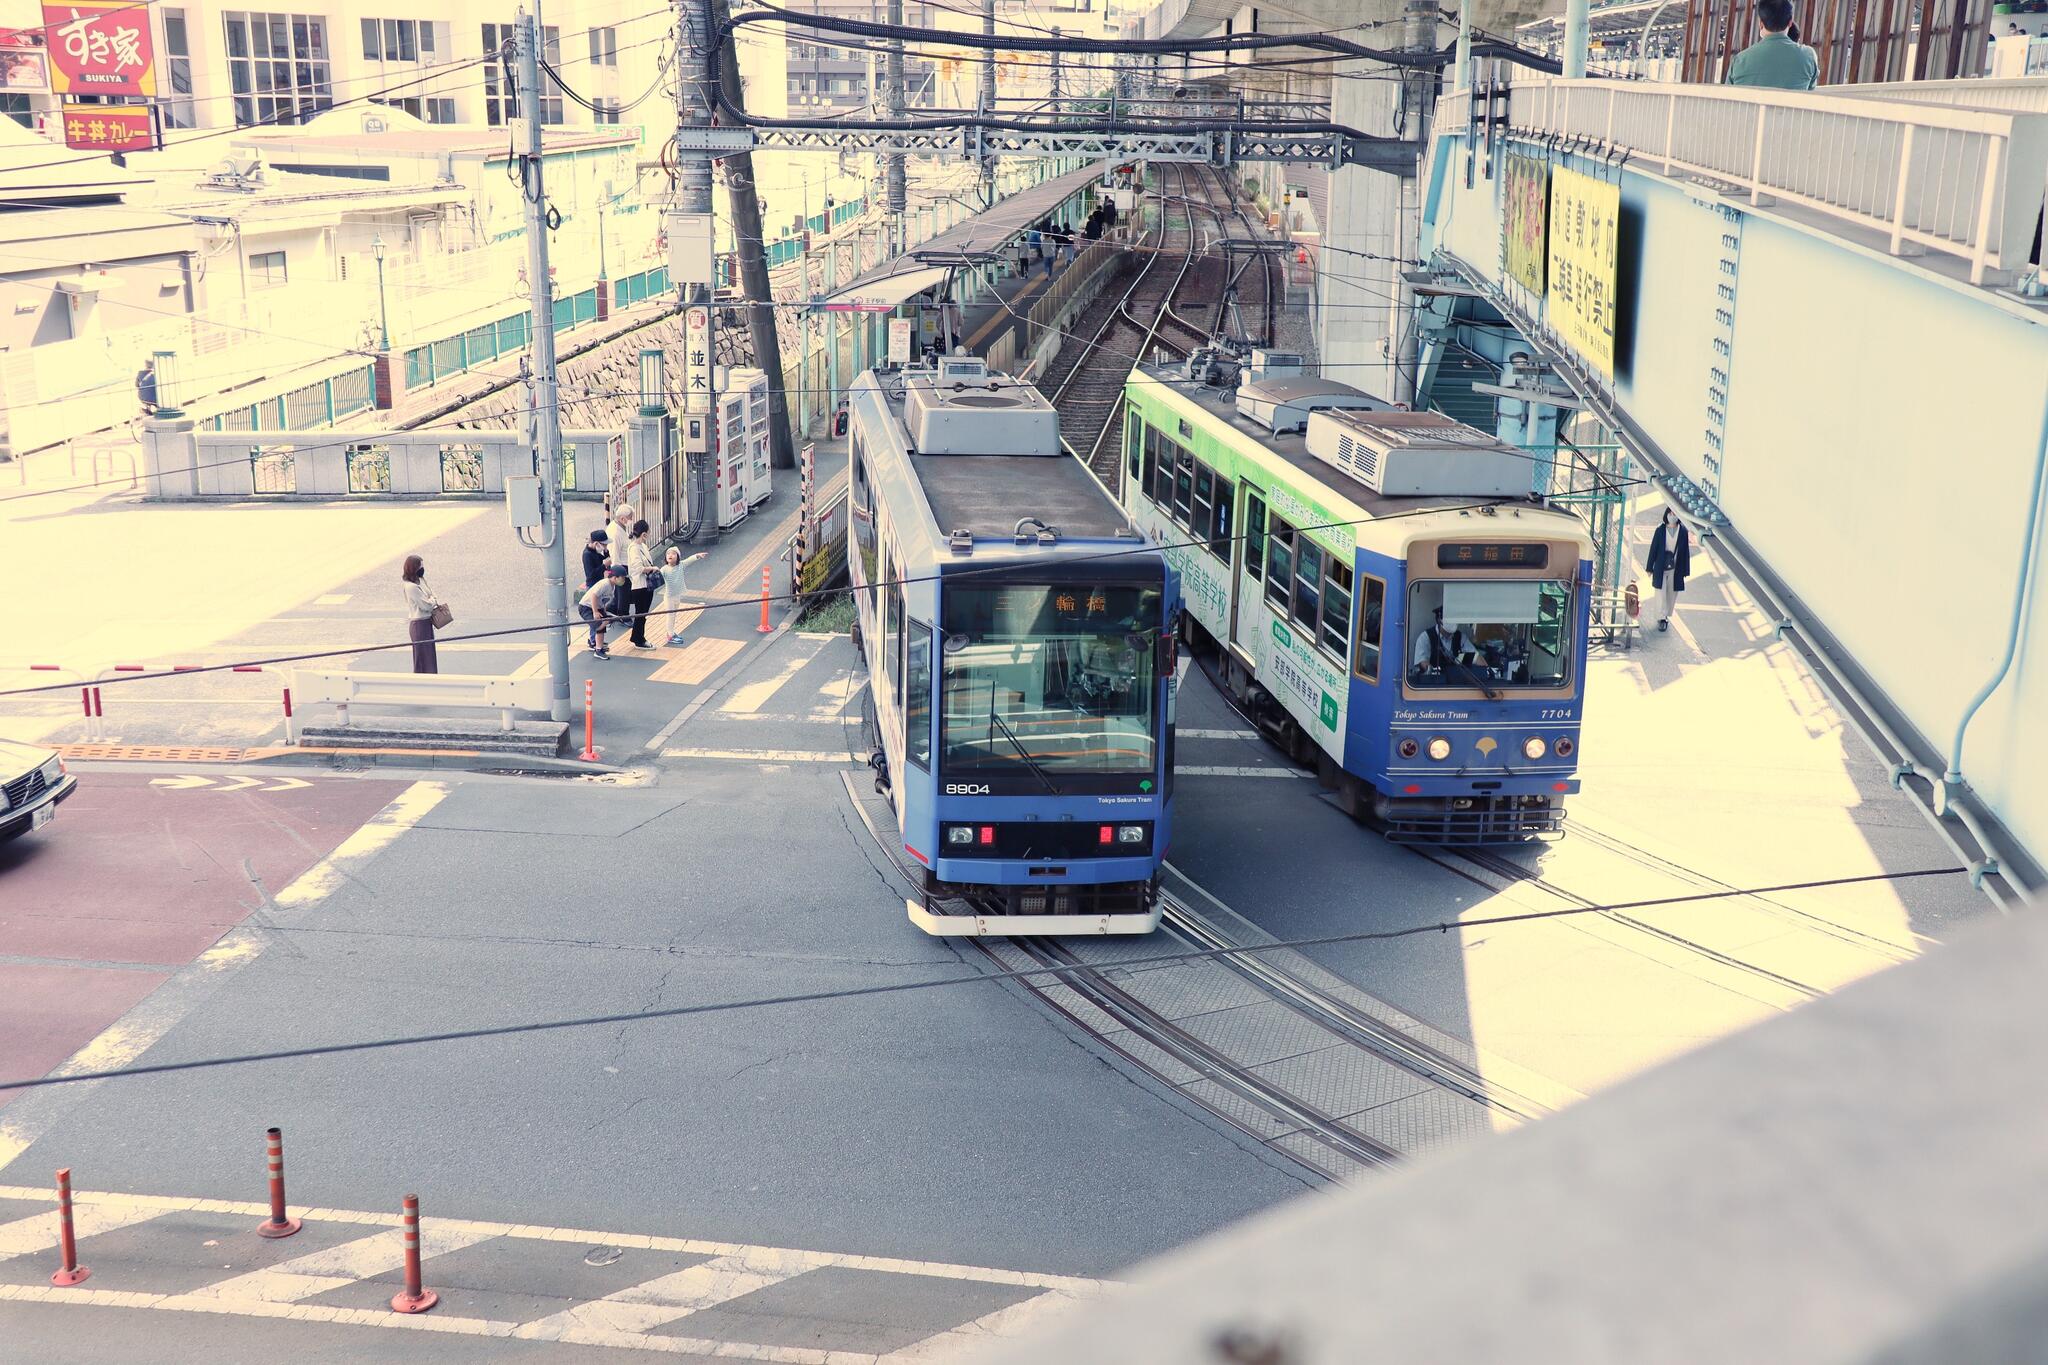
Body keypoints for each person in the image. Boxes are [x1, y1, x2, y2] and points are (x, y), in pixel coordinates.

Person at [1726, 0, 1818, 89]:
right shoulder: (1808, 56)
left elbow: (1728, 99)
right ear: (1790, 22)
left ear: (1761, 24)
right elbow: (1811, 93)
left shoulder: (1739, 60)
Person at [1645, 508, 1693, 633]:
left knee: (1671, 594)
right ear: (1666, 514)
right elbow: (1653, 549)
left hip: (1675, 569)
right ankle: (1661, 618)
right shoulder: (1660, 531)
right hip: (1661, 567)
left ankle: (1666, 614)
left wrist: (1686, 570)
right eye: (1670, 513)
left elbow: (1685, 552)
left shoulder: (1682, 531)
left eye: (1675, 514)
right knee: (1660, 592)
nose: (1672, 516)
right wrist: (1650, 567)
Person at [400, 554, 443, 674]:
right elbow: (426, 605)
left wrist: (431, 598)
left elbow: (431, 592)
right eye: (420, 567)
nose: (422, 569)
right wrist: (433, 600)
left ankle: (431, 680)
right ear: (414, 568)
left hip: (426, 623)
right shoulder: (411, 587)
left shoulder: (420, 581)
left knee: (429, 656)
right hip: (419, 625)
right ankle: (422, 681)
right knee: (422, 658)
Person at [657, 546, 709, 645]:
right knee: (670, 616)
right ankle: (670, 635)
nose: (670, 555)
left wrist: (697, 556)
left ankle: (671, 632)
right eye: (668, 554)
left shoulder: (681, 565)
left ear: (678, 557)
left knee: (674, 615)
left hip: (677, 595)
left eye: (673, 553)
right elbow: (657, 577)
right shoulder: (664, 569)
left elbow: (689, 560)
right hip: (668, 597)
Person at [578, 564, 629, 660]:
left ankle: (596, 645)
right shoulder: (605, 584)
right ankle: (597, 649)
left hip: (597, 606)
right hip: (586, 607)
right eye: (622, 578)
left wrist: (603, 611)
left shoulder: (612, 585)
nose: (624, 580)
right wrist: (595, 612)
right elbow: (594, 596)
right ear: (615, 577)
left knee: (601, 626)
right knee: (599, 626)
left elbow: (603, 600)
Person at [1410, 606, 1474, 679]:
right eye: (1449, 620)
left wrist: (1487, 669)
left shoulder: (1461, 637)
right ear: (1439, 620)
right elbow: (1423, 662)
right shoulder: (1425, 637)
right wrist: (1434, 672)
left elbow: (1476, 657)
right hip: (1435, 684)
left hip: (1457, 684)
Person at [623, 518, 657, 648]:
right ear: (644, 534)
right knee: (641, 613)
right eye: (648, 532)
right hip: (639, 585)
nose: (649, 534)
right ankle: (639, 639)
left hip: (646, 584)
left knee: (643, 613)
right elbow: (637, 568)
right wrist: (653, 569)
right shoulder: (634, 548)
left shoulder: (643, 546)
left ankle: (637, 636)